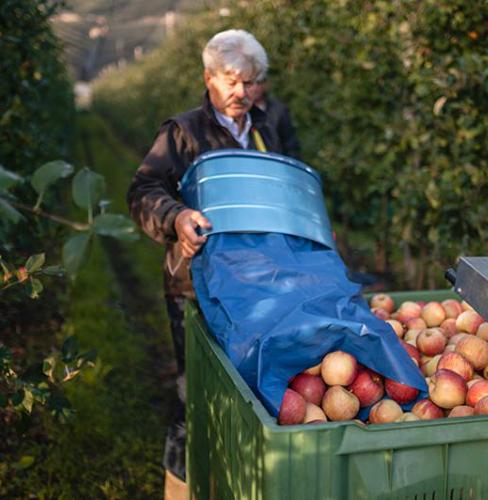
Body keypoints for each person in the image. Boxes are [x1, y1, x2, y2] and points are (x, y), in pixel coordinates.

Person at [126, 29, 295, 498]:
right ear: (208, 78)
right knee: (193, 395)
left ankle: (236, 482)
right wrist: (176, 215)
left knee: (253, 391)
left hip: (264, 281)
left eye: (251, 82)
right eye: (231, 81)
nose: (241, 92)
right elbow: (142, 191)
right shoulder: (182, 132)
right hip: (197, 285)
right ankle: (180, 490)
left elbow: (293, 180)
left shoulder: (272, 121)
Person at [250, 77, 302, 159]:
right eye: (250, 84)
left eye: (259, 83)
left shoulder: (279, 110)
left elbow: (290, 144)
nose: (255, 88)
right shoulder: (241, 112)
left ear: (265, 85)